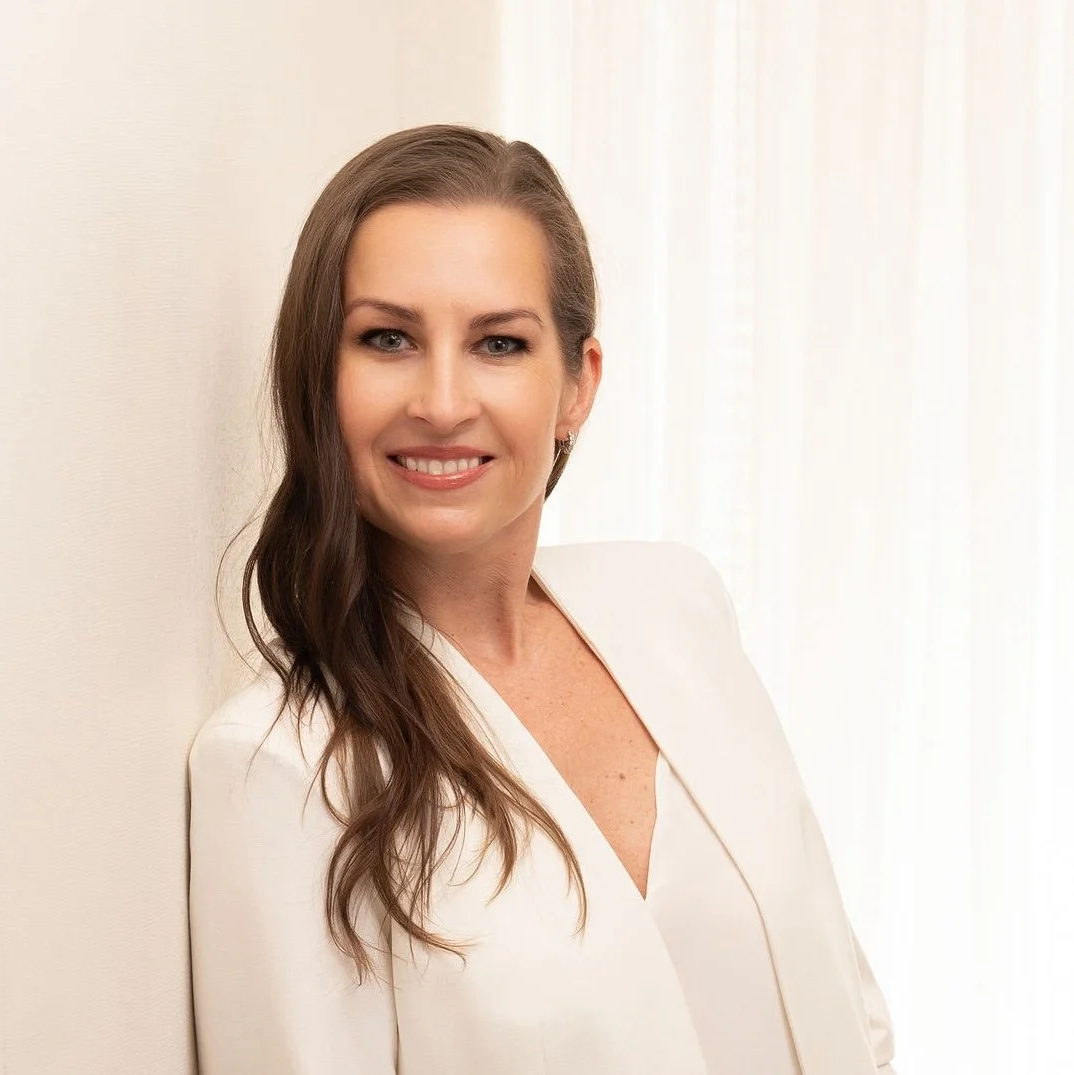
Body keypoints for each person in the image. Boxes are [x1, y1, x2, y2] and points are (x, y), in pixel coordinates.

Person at [187, 123, 896, 1075]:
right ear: (321, 376)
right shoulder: (278, 767)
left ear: (576, 386)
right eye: (388, 338)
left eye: (499, 343)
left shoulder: (676, 608)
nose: (442, 402)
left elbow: (850, 1012)